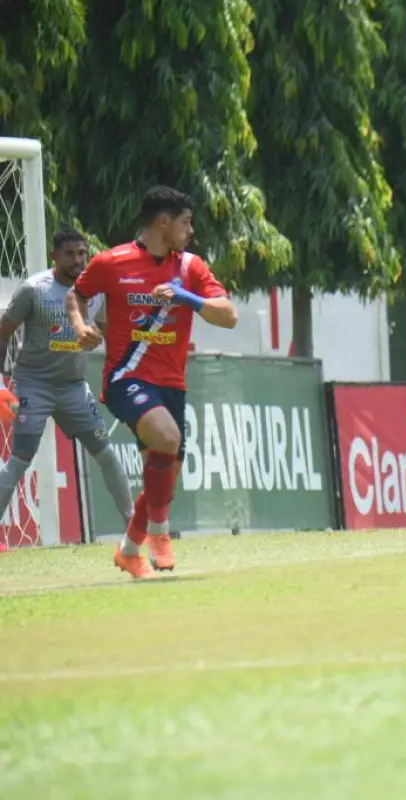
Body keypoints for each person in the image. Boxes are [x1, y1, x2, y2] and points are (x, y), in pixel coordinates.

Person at [66, 186, 239, 578]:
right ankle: (161, 532)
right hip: (126, 377)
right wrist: (80, 325)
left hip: (172, 383)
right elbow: (76, 295)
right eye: (186, 222)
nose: (190, 231)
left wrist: (184, 297)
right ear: (163, 222)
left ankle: (129, 549)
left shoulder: (190, 268)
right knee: (168, 437)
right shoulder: (112, 262)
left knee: (163, 477)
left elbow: (229, 316)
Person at [0, 229, 135, 532]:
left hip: (74, 387)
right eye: (70, 254)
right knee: (20, 459)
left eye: (82, 254)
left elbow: (105, 334)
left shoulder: (97, 292)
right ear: (55, 256)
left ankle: (133, 526)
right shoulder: (34, 289)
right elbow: (3, 331)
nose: (77, 260)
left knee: (106, 452)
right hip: (34, 384)